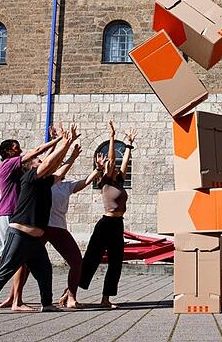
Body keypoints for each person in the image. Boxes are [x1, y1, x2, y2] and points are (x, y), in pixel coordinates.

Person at [0, 124, 79, 316]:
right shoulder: (29, 178)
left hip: (34, 240)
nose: (40, 161)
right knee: (6, 268)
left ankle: (47, 303)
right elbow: (49, 164)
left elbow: (58, 173)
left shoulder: (43, 181)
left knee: (45, 271)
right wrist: (64, 143)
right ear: (30, 167)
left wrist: (72, 156)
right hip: (20, 235)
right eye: (37, 161)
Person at [79, 121, 136, 308]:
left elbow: (124, 162)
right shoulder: (103, 181)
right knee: (91, 260)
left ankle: (106, 299)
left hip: (118, 225)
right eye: (111, 167)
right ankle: (70, 292)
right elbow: (111, 161)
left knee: (116, 263)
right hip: (105, 224)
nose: (113, 167)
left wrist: (128, 144)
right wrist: (112, 137)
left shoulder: (119, 180)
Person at [44, 142, 102, 309]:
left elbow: (84, 182)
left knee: (77, 262)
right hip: (42, 228)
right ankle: (15, 298)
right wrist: (57, 143)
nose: (63, 170)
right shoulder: (44, 183)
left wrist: (97, 170)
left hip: (59, 228)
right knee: (25, 262)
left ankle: (71, 297)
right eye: (60, 166)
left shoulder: (66, 186)